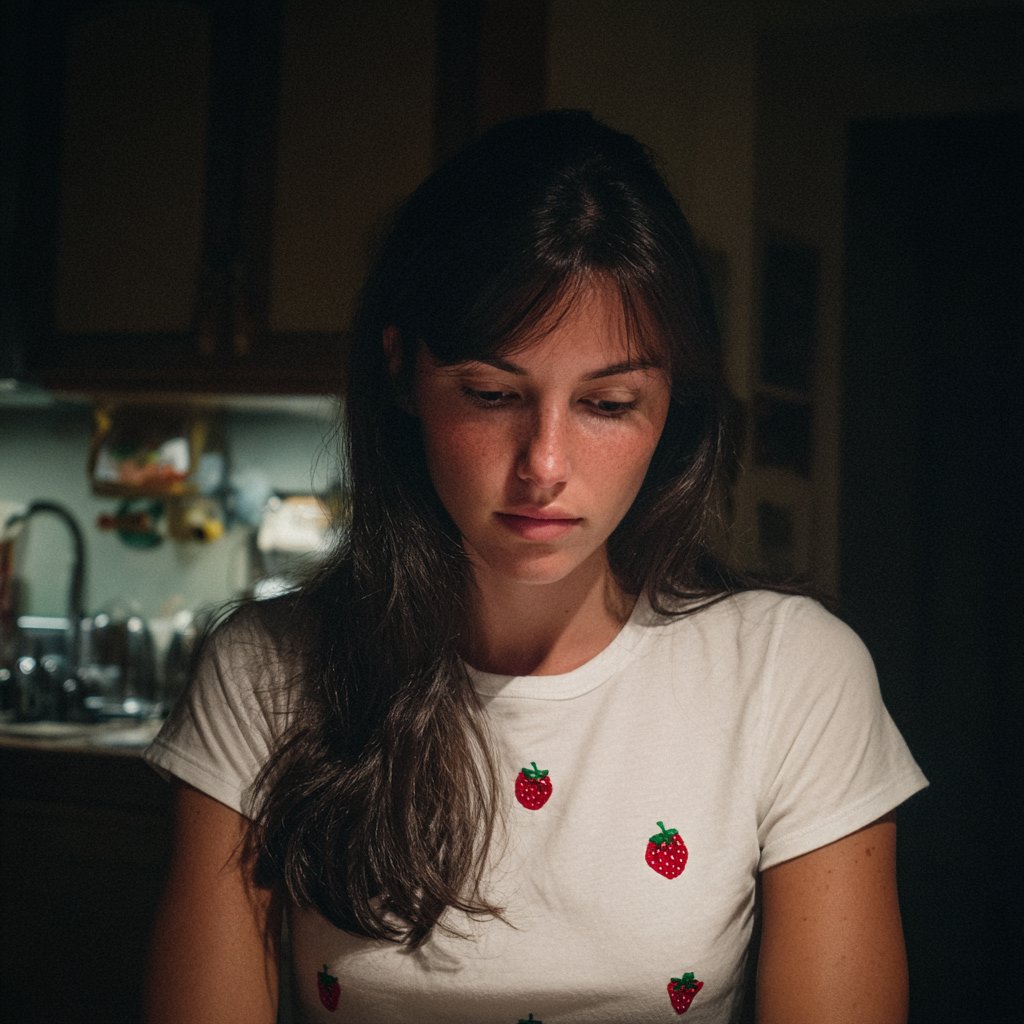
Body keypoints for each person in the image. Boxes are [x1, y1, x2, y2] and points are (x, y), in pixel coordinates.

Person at [143, 110, 926, 1023]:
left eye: (609, 403)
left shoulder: (793, 674)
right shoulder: (266, 670)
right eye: (491, 394)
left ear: (673, 402)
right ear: (401, 373)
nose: (544, 464)